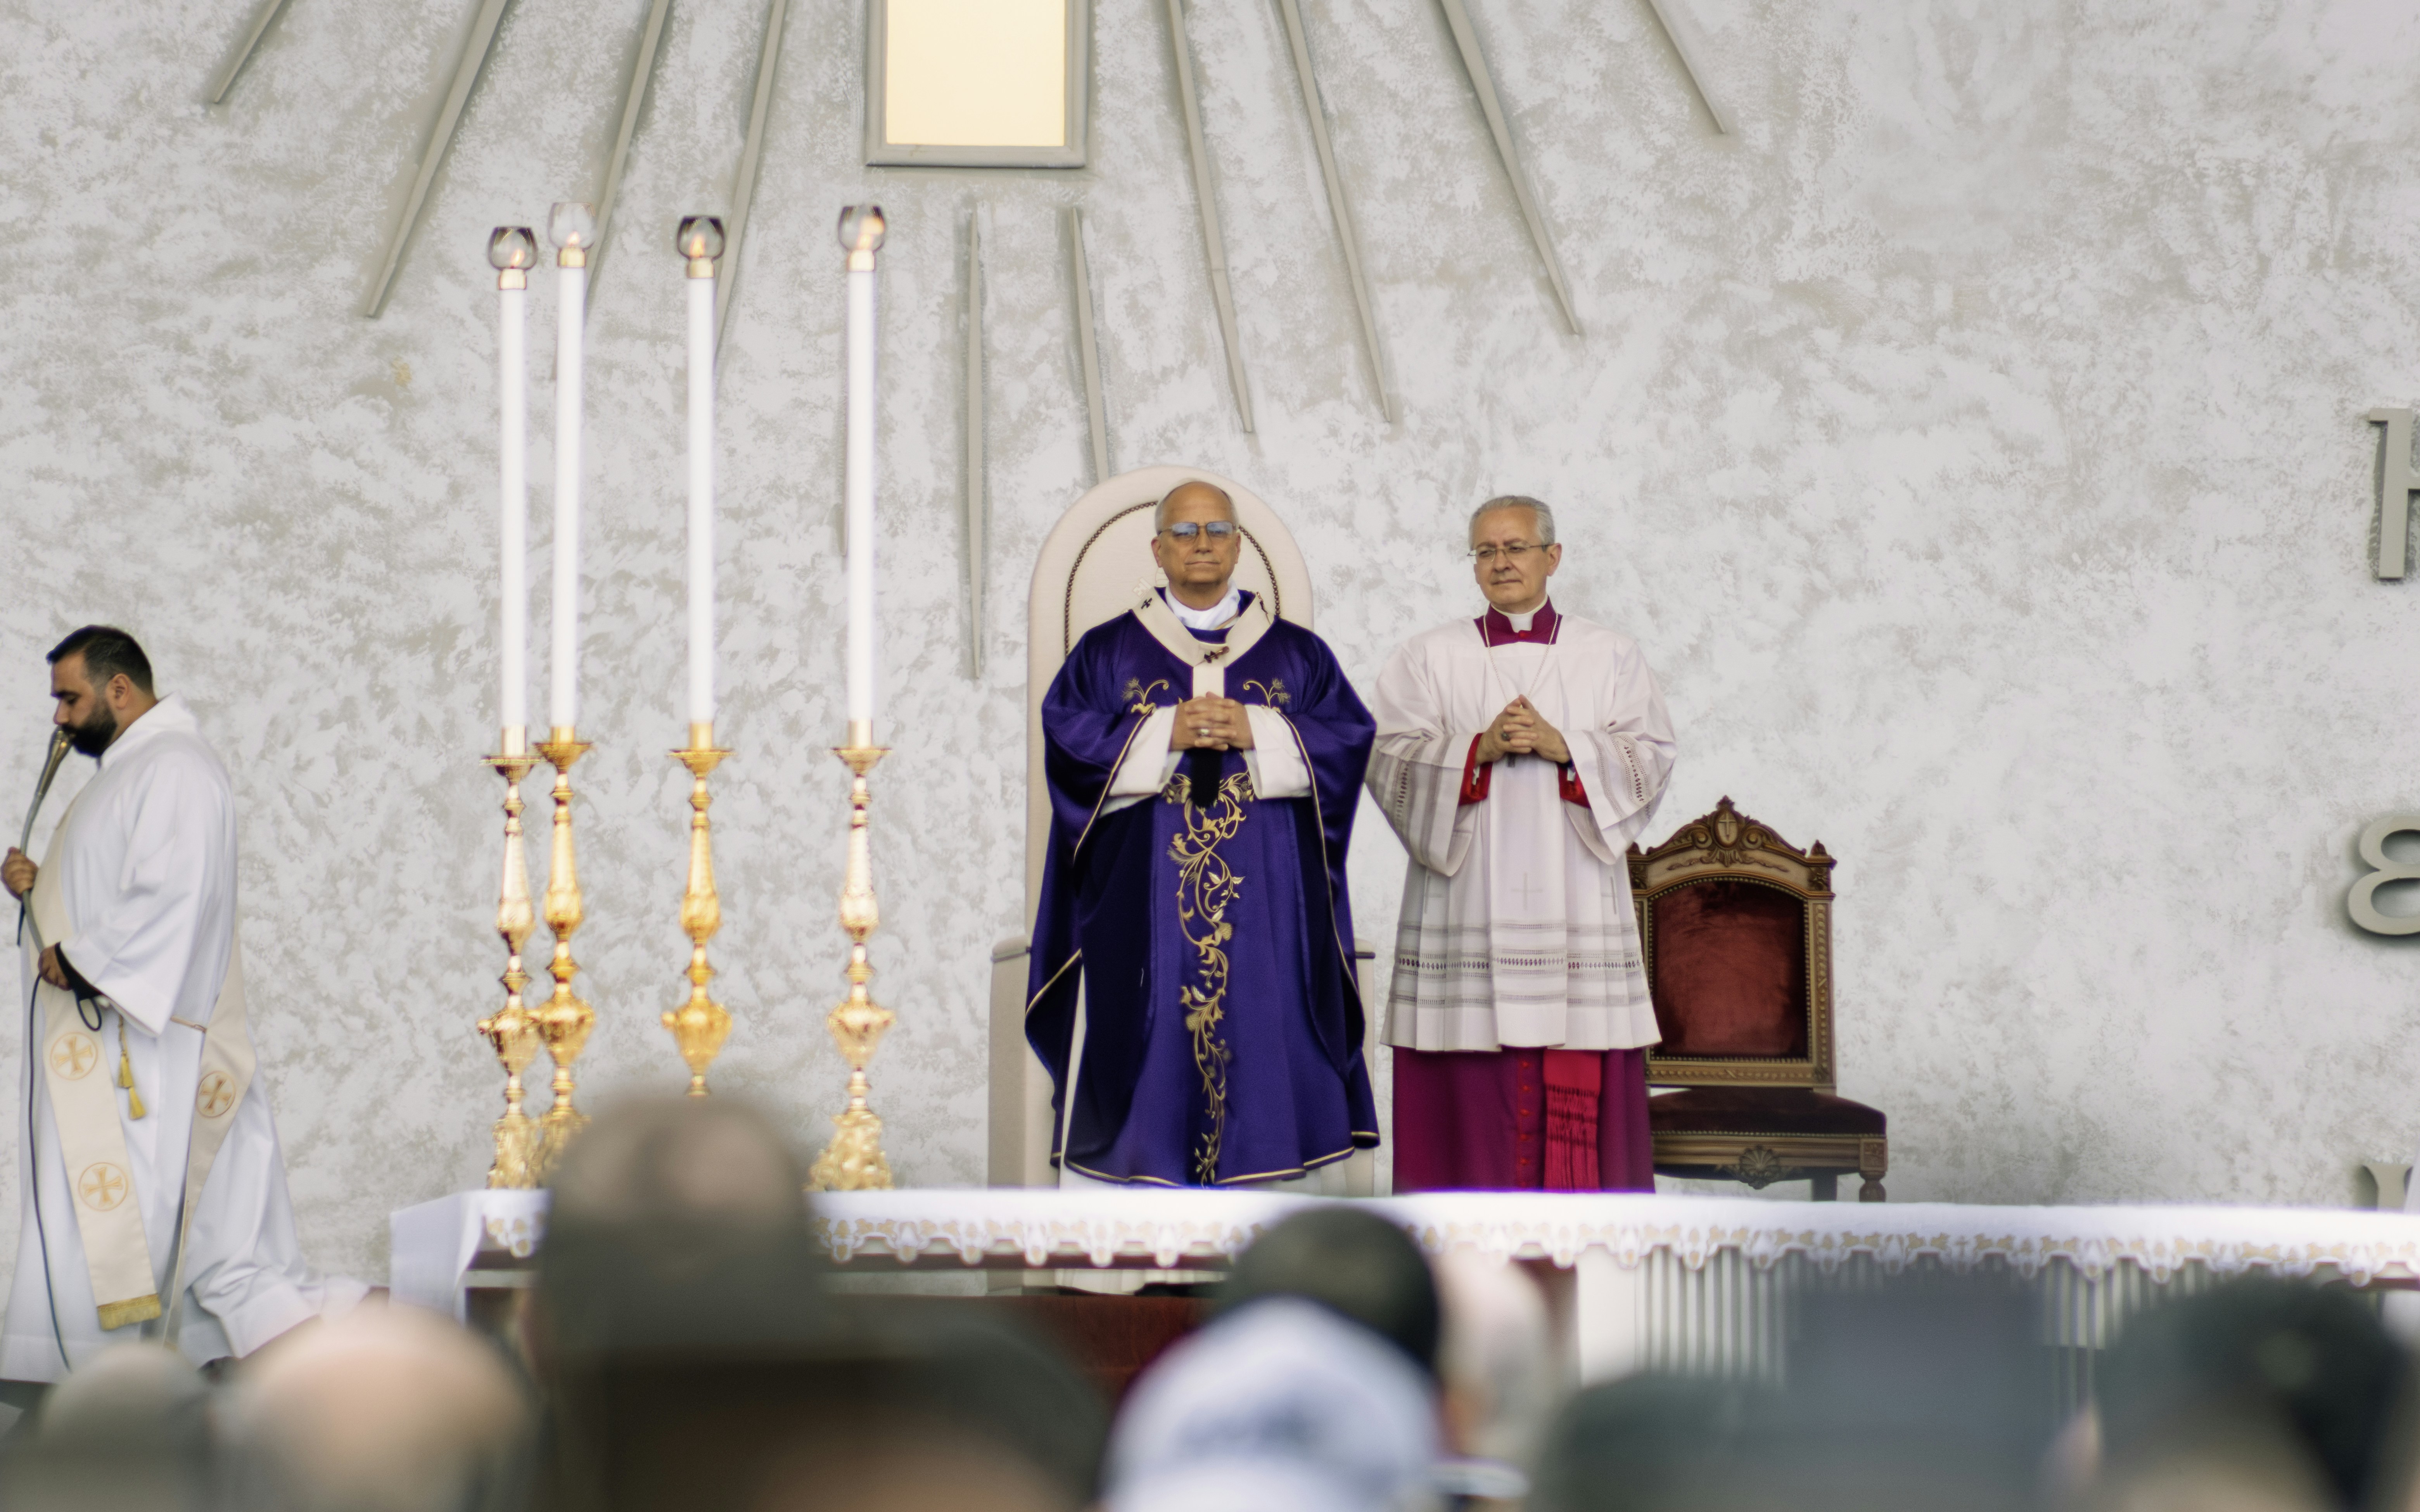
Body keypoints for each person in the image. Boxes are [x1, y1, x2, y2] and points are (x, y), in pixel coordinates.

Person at [0, 627, 361, 1393]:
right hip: (120, 1054)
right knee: (205, 1267)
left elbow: (172, 894)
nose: (59, 718)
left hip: (154, 1065)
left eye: (70, 697)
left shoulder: (174, 768)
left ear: (119, 690)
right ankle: (110, 1403)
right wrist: (37, 891)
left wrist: (86, 960)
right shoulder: (133, 773)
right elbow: (108, 895)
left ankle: (358, 1371)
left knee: (224, 1262)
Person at [1027, 481, 1378, 1188]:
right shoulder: (1107, 652)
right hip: (1145, 902)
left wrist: (1262, 729)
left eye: (1217, 529)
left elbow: (1349, 739)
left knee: (1267, 1028)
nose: (1202, 544)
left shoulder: (1296, 654)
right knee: (1148, 1035)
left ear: (1239, 545)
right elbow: (1067, 739)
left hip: (1270, 904)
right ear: (1157, 550)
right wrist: (1161, 731)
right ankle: (1144, 1225)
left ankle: (1276, 1224)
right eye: (1184, 532)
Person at [1366, 498, 1677, 1192]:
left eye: (1515, 548)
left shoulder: (1610, 653)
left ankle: (1582, 1274)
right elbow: (1388, 759)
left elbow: (1652, 754)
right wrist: (1478, 748)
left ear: (1552, 557)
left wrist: (1566, 746)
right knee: (1470, 1089)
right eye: (1484, 551)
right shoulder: (1429, 655)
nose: (1500, 562)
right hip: (1466, 895)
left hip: (1576, 898)